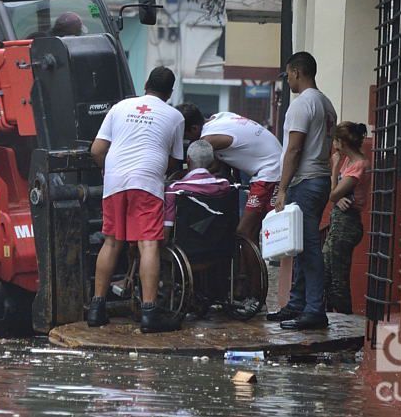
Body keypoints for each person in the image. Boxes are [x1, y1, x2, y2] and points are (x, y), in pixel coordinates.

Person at [88, 66, 184, 333]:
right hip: (147, 181)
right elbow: (175, 161)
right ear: (170, 92)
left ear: (145, 84)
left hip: (115, 180)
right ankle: (150, 314)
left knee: (112, 241)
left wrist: (109, 172)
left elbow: (97, 150)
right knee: (149, 245)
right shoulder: (175, 116)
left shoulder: (120, 107)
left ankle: (96, 309)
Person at [269, 51, 337, 330]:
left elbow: (294, 149)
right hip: (318, 179)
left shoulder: (302, 104)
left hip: (305, 182)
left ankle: (313, 310)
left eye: (288, 75)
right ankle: (297, 304)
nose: (288, 81)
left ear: (297, 72)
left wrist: (282, 189)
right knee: (300, 246)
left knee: (308, 249)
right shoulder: (326, 103)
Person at [179, 105, 282, 244]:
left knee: (244, 233)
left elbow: (199, 173)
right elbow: (222, 165)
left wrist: (178, 177)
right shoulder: (220, 117)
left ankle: (250, 265)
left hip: (269, 172)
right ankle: (249, 265)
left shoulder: (207, 140)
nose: (187, 141)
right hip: (274, 165)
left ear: (194, 129)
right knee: (252, 231)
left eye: (186, 136)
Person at [322, 121, 369, 314]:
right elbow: (338, 197)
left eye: (335, 140)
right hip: (339, 219)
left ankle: (343, 318)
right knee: (326, 268)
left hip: (347, 223)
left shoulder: (358, 165)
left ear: (341, 142)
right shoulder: (349, 161)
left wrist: (334, 170)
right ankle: (330, 313)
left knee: (337, 276)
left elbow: (333, 194)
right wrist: (338, 198)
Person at [163, 139, 231, 232]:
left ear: (188, 160)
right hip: (218, 241)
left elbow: (167, 227)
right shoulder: (224, 185)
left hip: (184, 242)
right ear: (212, 161)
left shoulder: (175, 189)